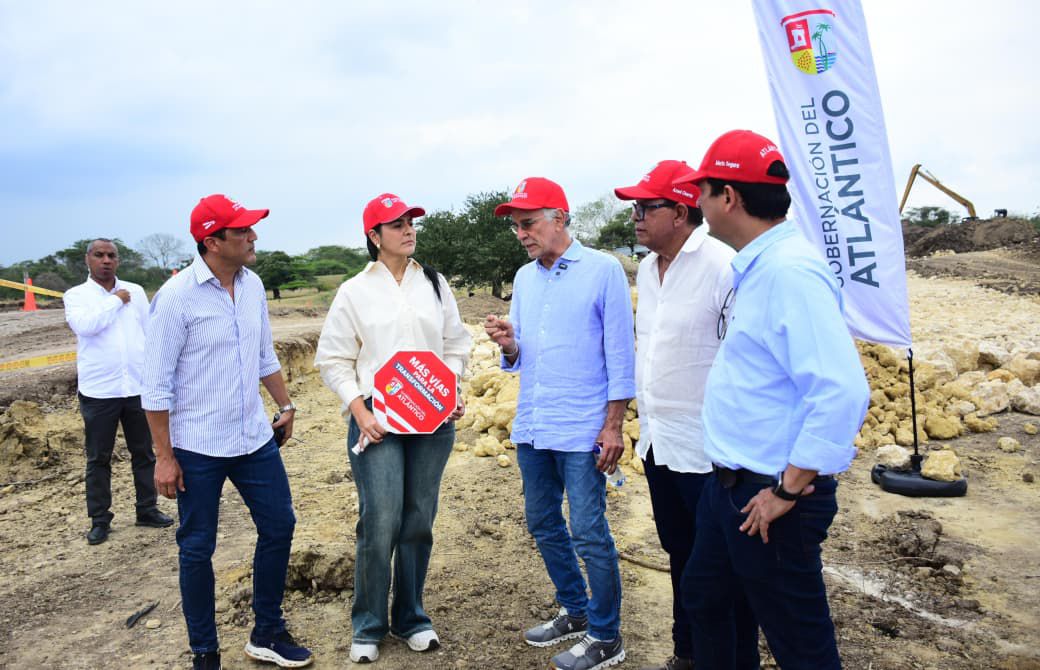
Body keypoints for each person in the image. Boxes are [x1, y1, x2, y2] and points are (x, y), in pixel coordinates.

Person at [674, 130, 870, 669]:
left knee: (800, 645)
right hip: (729, 486)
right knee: (706, 599)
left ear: (728, 197)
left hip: (772, 496)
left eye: (702, 192)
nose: (698, 204)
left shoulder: (790, 273)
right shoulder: (761, 267)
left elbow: (842, 390)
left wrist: (789, 488)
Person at [143, 194, 312, 670]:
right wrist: (164, 457)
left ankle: (267, 632)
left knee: (279, 526)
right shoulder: (176, 298)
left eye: (251, 228)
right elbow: (154, 387)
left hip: (253, 438)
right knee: (197, 548)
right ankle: (205, 652)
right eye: (242, 231)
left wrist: (285, 404)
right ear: (212, 242)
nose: (253, 236)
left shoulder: (252, 285)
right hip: (197, 446)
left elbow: (263, 355)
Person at [314, 193, 471, 664]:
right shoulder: (354, 291)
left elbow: (455, 345)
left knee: (419, 518)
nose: (408, 230)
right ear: (374, 235)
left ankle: (411, 618)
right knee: (380, 519)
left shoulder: (435, 284)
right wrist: (358, 411)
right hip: (377, 420)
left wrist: (450, 388)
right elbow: (333, 359)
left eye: (410, 222)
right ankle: (368, 624)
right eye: (396, 224)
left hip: (432, 420)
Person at [484, 177, 634, 670]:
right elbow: (521, 355)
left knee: (588, 531)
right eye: (515, 227)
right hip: (534, 424)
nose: (521, 234)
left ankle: (606, 636)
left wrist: (613, 426)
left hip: (583, 428)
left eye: (528, 223)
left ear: (560, 218)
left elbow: (620, 354)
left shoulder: (603, 270)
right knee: (544, 522)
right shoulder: (525, 278)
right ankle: (575, 609)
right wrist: (510, 344)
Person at [614, 161, 757, 670]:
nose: (635, 217)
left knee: (723, 569)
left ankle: (737, 659)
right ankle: (687, 652)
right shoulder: (648, 270)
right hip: (659, 440)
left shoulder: (722, 266)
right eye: (634, 208)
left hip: (708, 448)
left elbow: (742, 357)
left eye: (645, 207)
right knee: (680, 551)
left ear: (679, 212)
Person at [63, 239, 174, 545]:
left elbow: (149, 333)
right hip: (99, 391)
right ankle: (100, 520)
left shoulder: (135, 291)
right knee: (98, 458)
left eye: (111, 255)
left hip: (137, 387)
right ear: (87, 259)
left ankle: (147, 509)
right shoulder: (77, 295)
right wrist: (115, 301)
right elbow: (85, 326)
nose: (106, 260)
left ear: (118, 260)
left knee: (144, 452)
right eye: (99, 255)